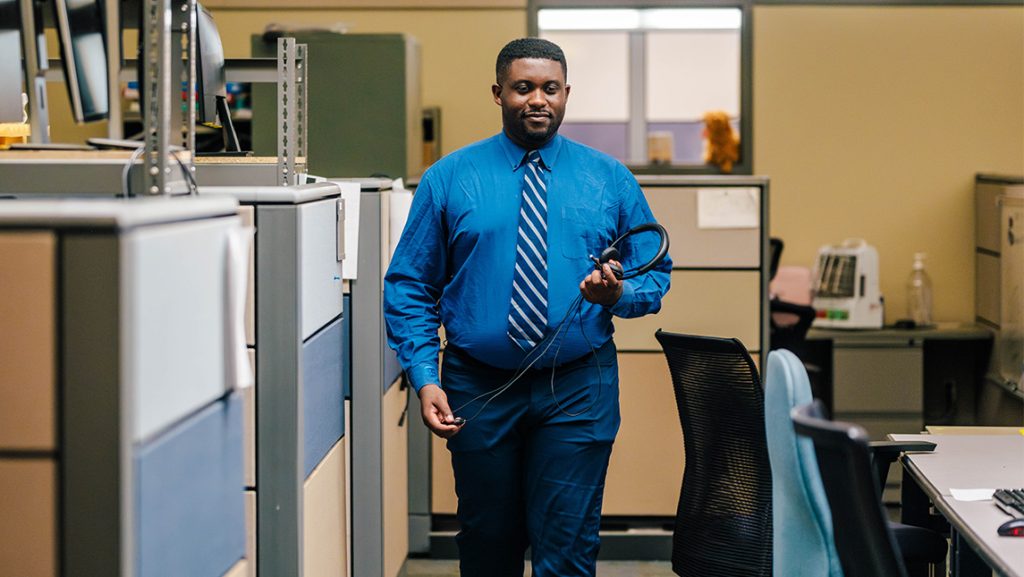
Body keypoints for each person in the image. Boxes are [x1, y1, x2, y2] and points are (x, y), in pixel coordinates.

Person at [383, 37, 672, 577]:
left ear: (566, 94)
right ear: (499, 94)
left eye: (550, 88)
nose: (538, 99)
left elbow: (653, 272)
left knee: (567, 549)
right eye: (523, 88)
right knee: (488, 545)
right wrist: (425, 376)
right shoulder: (450, 177)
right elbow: (409, 285)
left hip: (579, 389)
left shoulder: (608, 178)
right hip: (478, 386)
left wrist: (619, 295)